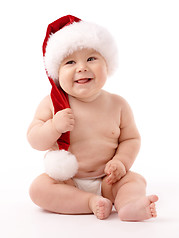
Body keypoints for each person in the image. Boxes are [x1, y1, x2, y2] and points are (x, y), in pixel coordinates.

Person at [27, 15, 158, 221]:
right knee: (39, 189)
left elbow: (131, 139)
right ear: (56, 73)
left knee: (135, 181)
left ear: (107, 65)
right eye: (70, 62)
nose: (82, 67)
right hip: (68, 181)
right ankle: (89, 201)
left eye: (91, 58)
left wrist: (121, 162)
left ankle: (128, 205)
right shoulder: (53, 104)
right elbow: (34, 139)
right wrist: (54, 127)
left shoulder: (118, 104)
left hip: (109, 178)